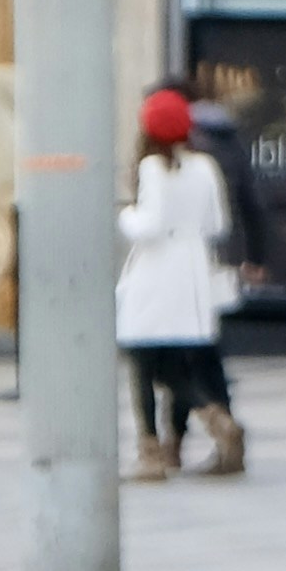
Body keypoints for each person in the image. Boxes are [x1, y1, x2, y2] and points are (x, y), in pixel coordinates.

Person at [115, 86, 240, 478]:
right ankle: (216, 418)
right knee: (179, 365)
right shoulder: (204, 166)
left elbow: (148, 226)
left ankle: (150, 451)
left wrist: (125, 217)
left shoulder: (153, 168)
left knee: (143, 363)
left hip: (156, 272)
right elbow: (218, 223)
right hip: (193, 272)